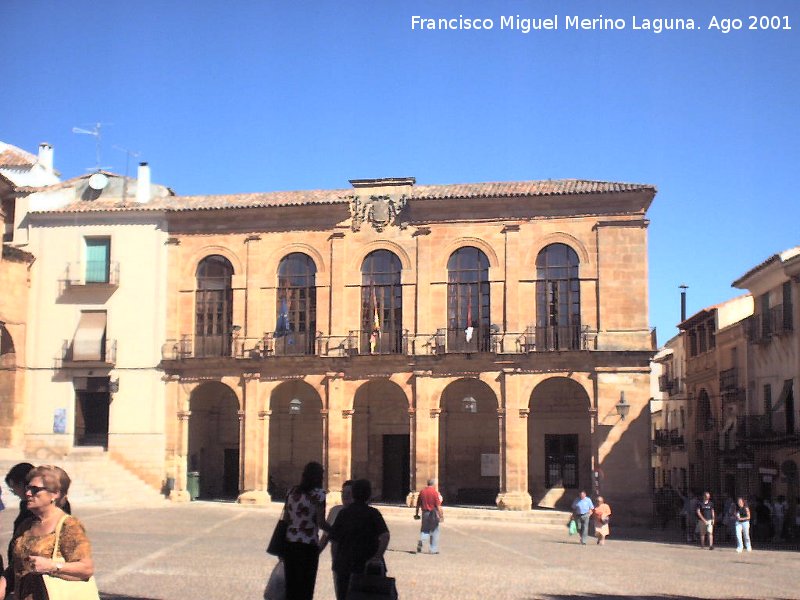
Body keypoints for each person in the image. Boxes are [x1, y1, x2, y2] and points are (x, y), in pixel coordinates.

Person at [0, 465, 94, 600]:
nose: (28, 493)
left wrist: (51, 566)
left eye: (35, 489)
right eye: (28, 488)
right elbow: (15, 567)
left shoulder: (69, 526)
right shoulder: (26, 525)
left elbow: (86, 569)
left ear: (55, 493)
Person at [328, 479, 390, 600]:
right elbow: (385, 536)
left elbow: (334, 541)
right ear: (369, 495)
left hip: (345, 565)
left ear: (353, 494)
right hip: (367, 566)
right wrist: (377, 556)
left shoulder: (343, 514)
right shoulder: (373, 513)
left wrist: (336, 561)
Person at [283, 461, 327, 600]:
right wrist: (335, 529)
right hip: (309, 544)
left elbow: (286, 519)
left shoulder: (291, 491)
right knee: (306, 586)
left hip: (290, 543)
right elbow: (321, 523)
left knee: (291, 585)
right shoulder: (319, 494)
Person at [319, 480, 353, 600]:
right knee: (340, 592)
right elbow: (326, 536)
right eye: (343, 492)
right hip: (338, 560)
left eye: (349, 492)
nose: (345, 495)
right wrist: (315, 552)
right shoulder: (335, 511)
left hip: (355, 561)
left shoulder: (361, 512)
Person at [415, 478, 443, 554]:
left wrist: (417, 514)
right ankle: (433, 549)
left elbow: (417, 505)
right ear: (433, 484)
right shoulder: (434, 492)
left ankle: (421, 540)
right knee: (434, 531)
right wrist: (441, 516)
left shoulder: (422, 492)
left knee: (424, 529)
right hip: (433, 513)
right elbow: (438, 506)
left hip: (424, 513)